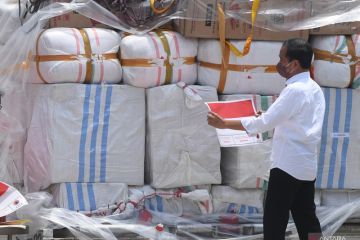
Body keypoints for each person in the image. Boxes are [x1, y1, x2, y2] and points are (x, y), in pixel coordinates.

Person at [207, 38, 325, 240]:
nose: (278, 63)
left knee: (274, 221)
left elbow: (262, 124)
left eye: (282, 58)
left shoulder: (294, 91)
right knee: (307, 219)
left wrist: (225, 123)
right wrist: (267, 116)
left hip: (286, 166)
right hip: (306, 166)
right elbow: (295, 120)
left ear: (294, 64)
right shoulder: (315, 88)